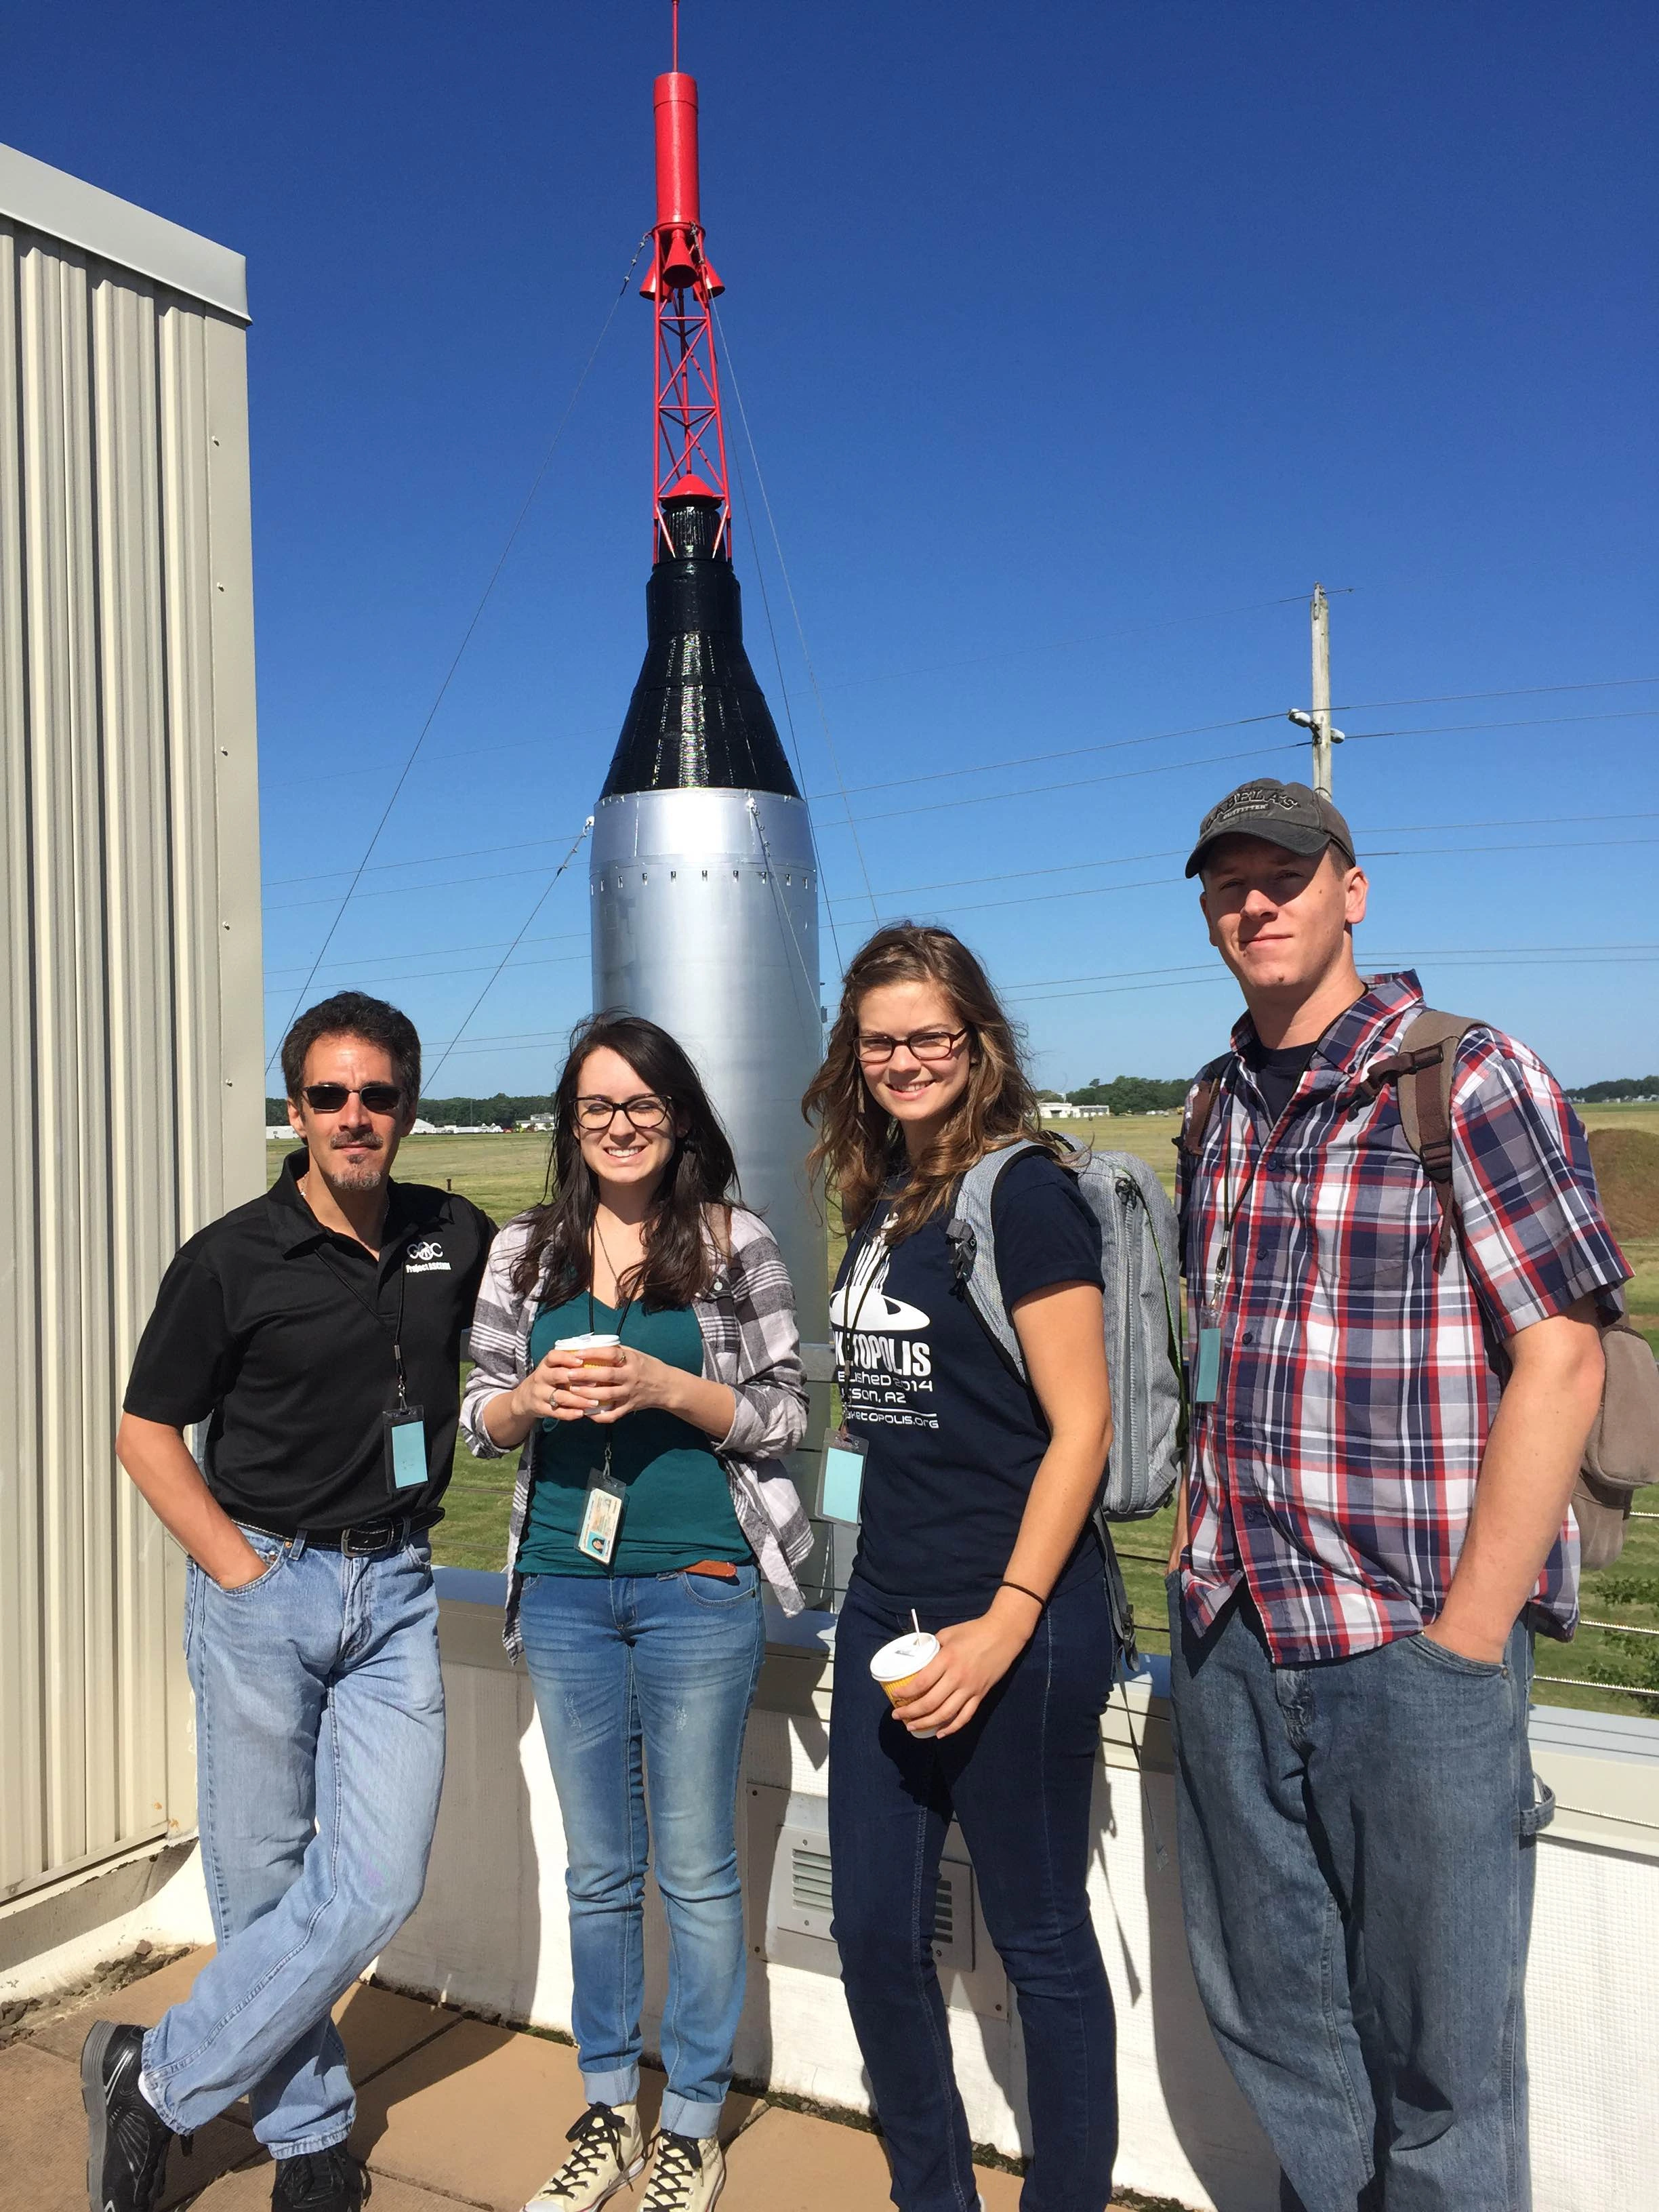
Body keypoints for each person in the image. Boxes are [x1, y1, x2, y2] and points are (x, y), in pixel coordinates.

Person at [1168, 779, 1629, 2211]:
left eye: (1287, 877)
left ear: (1351, 893)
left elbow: (1562, 1357)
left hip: (1410, 1646)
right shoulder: (1212, 1106)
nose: (1259, 902)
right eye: (1229, 883)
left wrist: (1468, 1639)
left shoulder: (1468, 1077)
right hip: (1235, 1629)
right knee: (1280, 2025)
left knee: (1441, 2069)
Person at [83, 992, 495, 2212]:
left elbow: (553, 1299)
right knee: (263, 1880)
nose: (354, 1117)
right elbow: (145, 1430)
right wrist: (241, 1571)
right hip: (264, 1582)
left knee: (370, 1882)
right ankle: (311, 2136)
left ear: (408, 1107)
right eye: (329, 1095)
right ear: (296, 1107)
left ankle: (154, 2078)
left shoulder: (453, 1232)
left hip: (398, 1591)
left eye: (377, 1095)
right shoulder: (230, 1258)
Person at [460, 1012, 811, 2212]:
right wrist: (527, 1405)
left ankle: (694, 2122)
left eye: (644, 1107)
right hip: (561, 1587)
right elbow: (473, 1416)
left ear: (680, 1119)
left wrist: (674, 1387)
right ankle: (608, 2103)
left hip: (697, 1585)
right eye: (599, 1107)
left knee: (697, 1870)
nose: (620, 1127)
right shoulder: (525, 1253)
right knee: (601, 1868)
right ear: (571, 1121)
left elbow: (790, 1415)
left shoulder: (732, 1240)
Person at [805, 924, 1119, 2212]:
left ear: (978, 1042)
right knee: (874, 1932)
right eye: (881, 1040)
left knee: (1041, 1943)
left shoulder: (1024, 1191)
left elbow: (1084, 1424)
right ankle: (931, 2195)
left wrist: (1002, 1625)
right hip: (890, 1603)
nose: (905, 1060)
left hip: (1019, 1620)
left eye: (931, 1035)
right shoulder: (884, 1196)